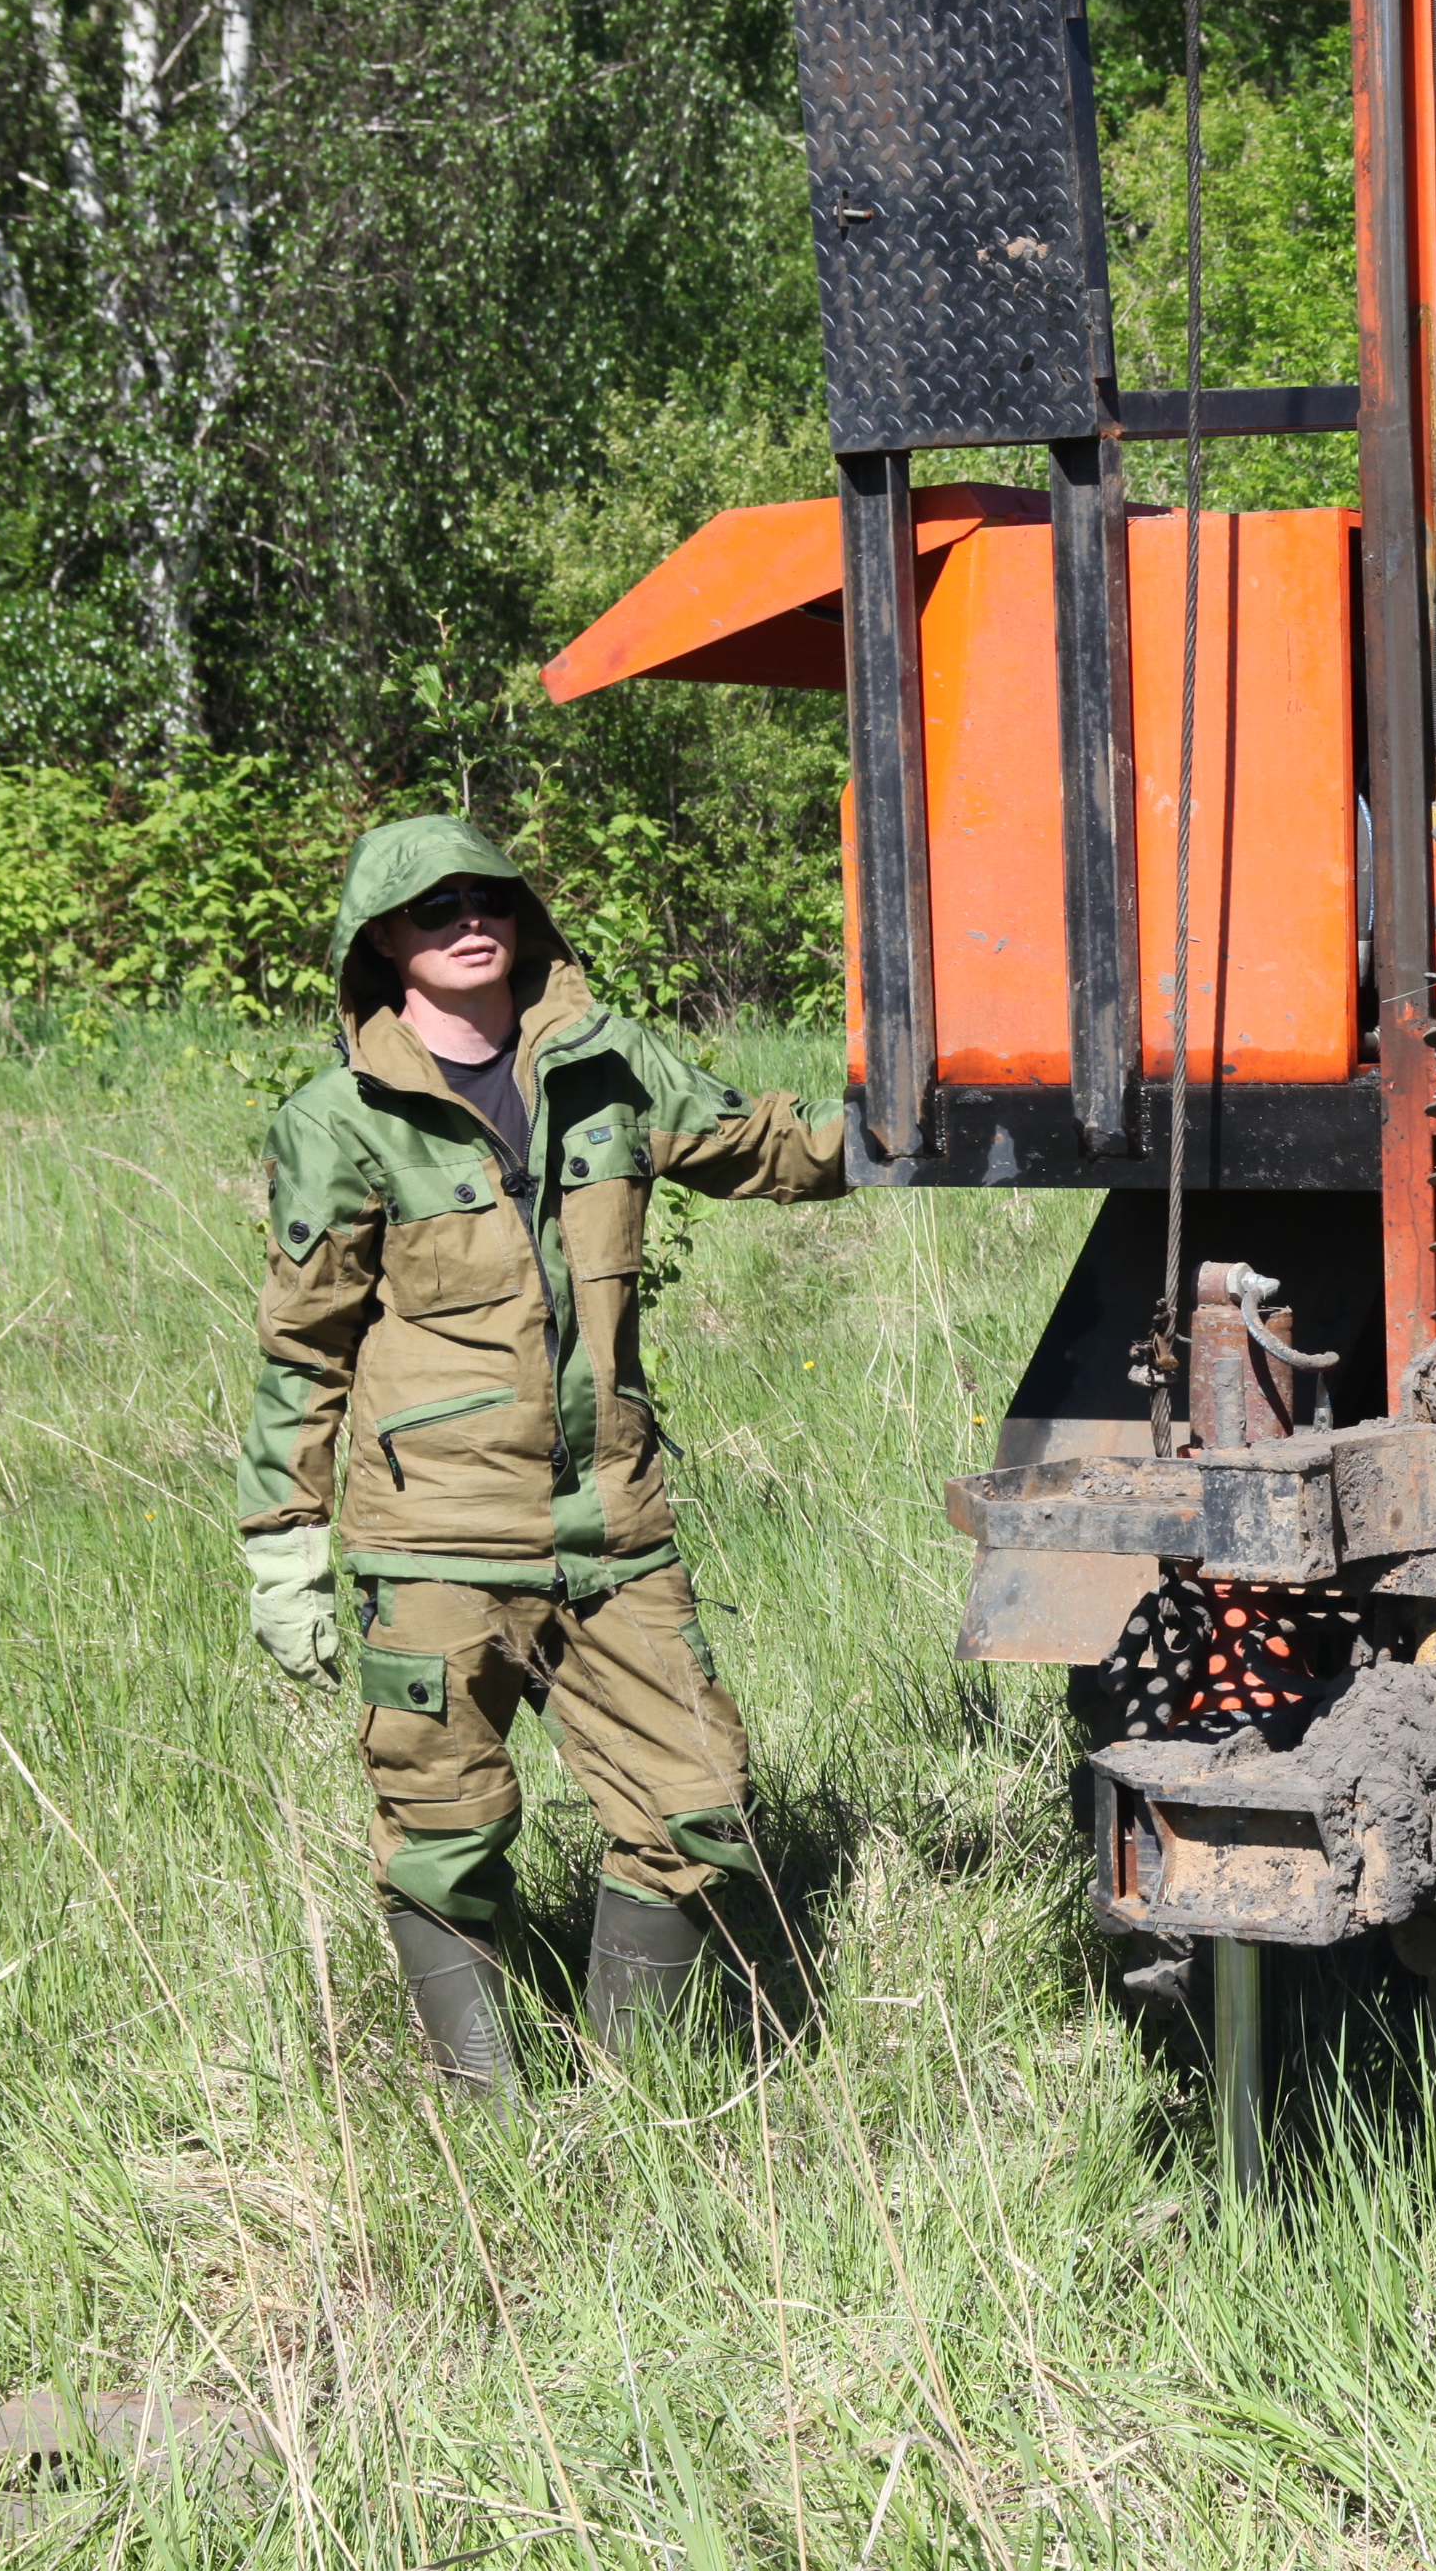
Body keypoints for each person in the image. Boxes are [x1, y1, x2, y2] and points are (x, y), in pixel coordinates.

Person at [236, 818, 846, 2091]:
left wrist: (933, 1108)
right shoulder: (338, 1118)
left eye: (489, 896)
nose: (469, 919)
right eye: (432, 908)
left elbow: (766, 1146)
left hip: (613, 1531)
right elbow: (305, 1346)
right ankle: (488, 2108)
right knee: (443, 1831)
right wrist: (283, 1542)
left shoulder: (609, 1065)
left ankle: (628, 2095)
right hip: (437, 1542)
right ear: (382, 947)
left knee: (700, 1804)